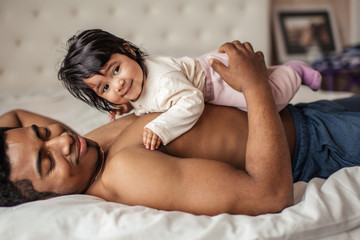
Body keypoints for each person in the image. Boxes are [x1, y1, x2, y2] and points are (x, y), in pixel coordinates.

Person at [1, 41, 359, 216]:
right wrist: (255, 87)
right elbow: (269, 196)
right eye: (46, 162)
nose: (62, 139)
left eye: (44, 133)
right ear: (40, 198)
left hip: (304, 114)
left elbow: (15, 116)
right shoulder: (126, 173)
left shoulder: (83, 150)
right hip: (317, 144)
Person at [58, 29, 321, 150]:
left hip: (215, 82)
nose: (118, 84)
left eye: (116, 70)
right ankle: (276, 72)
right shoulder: (136, 80)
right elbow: (143, 97)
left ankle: (293, 71)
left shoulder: (162, 82)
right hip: (200, 70)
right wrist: (127, 105)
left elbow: (191, 102)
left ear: (128, 51)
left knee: (269, 100)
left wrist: (160, 127)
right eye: (105, 87)